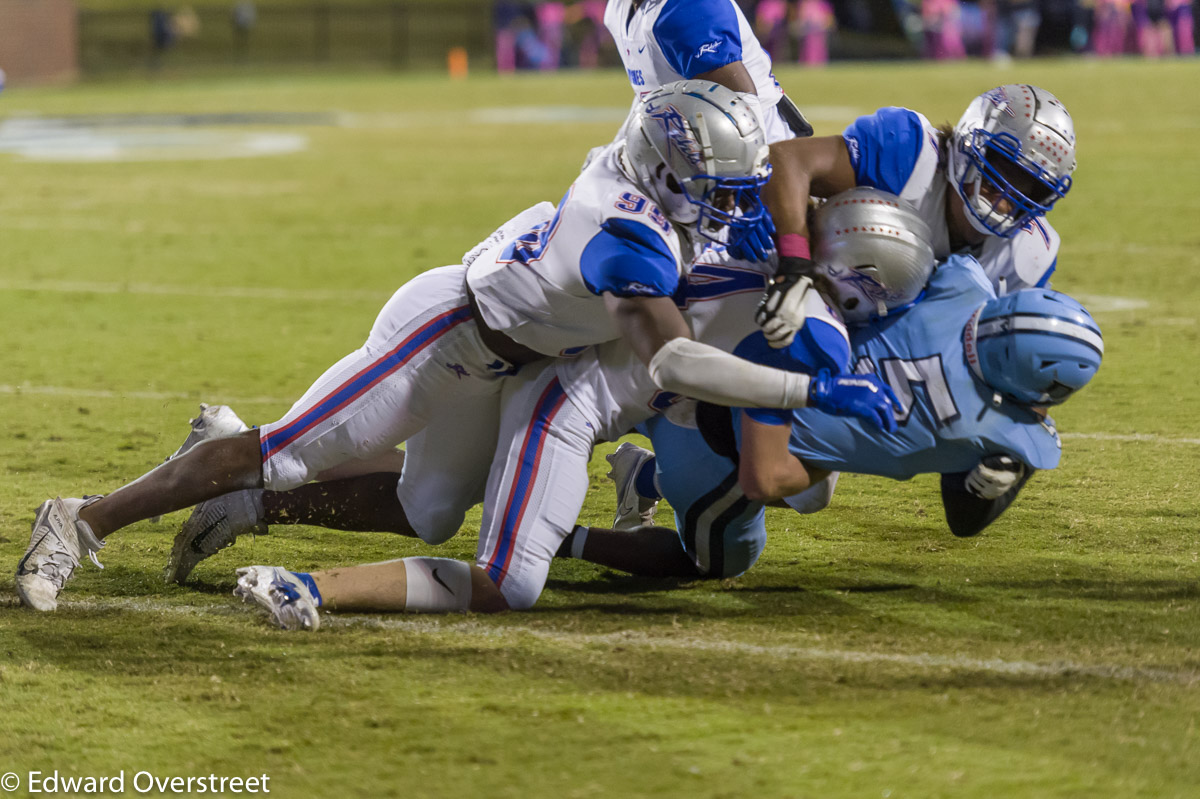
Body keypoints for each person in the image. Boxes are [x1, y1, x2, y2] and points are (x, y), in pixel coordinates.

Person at [15, 81, 890, 615]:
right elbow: (671, 363)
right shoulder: (630, 238)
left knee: (429, 510)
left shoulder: (648, 171)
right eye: (715, 189)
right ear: (670, 178)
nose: (729, 206)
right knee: (280, 454)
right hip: (448, 334)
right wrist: (807, 396)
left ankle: (239, 505)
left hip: (512, 354)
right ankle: (80, 519)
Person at [560, 207, 1103, 580]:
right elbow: (766, 476)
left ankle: (617, 488)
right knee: (722, 556)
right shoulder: (996, 417)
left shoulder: (960, 281)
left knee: (804, 490)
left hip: (736, 338)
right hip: (745, 408)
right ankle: (554, 536)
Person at [755, 83, 1077, 361]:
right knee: (806, 342)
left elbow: (1016, 368)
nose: (1004, 199)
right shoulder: (910, 156)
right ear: (969, 148)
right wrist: (794, 262)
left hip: (921, 366)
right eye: (1000, 173)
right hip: (825, 299)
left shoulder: (1029, 256)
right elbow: (787, 160)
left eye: (1027, 188)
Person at [604, 0, 814, 146]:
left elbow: (741, 106)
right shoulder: (619, 7)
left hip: (749, 139)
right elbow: (653, 90)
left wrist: (746, 179)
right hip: (686, 138)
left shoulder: (685, 8)